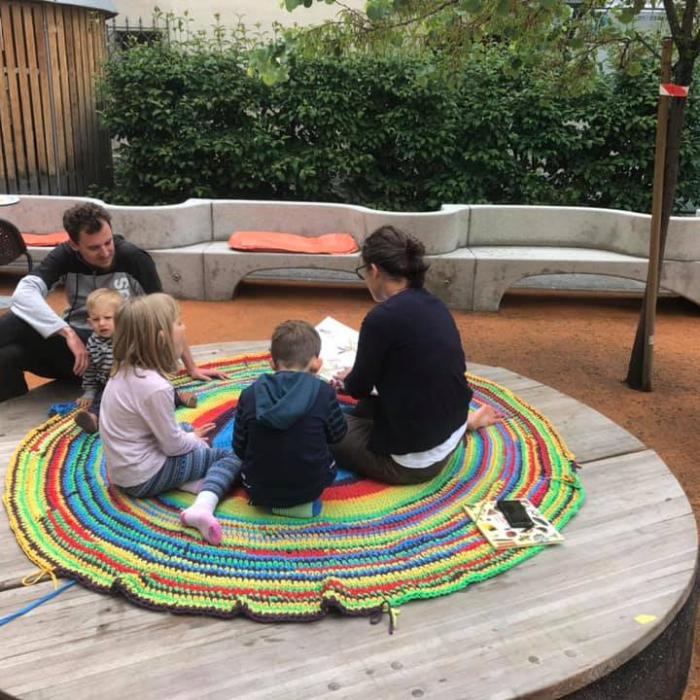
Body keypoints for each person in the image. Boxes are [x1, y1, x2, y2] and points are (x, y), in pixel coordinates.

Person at [0, 202, 221, 403]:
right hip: (77, 355)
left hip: (117, 355)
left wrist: (191, 367)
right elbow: (24, 294)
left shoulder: (134, 258)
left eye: (108, 242)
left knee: (14, 331)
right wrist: (67, 333)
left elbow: (165, 316)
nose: (105, 252)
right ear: (74, 245)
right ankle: (10, 412)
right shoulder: (65, 256)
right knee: (9, 349)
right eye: (94, 248)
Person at [330, 225, 498, 485]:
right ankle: (468, 423)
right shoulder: (435, 304)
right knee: (366, 408)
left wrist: (350, 377)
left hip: (412, 463)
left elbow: (357, 388)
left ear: (374, 270)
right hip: (448, 433)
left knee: (312, 423)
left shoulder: (381, 320)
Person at [100, 293, 241, 545]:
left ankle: (187, 481)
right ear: (163, 338)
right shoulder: (155, 387)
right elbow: (172, 446)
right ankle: (203, 506)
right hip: (143, 477)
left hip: (122, 471)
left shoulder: (123, 371)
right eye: (178, 322)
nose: (184, 327)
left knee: (186, 428)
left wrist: (187, 433)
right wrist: (195, 441)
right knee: (231, 456)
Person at [233, 320, 347, 518]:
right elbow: (338, 435)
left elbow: (239, 447)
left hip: (259, 487)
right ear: (316, 364)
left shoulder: (249, 394)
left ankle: (272, 505)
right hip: (311, 488)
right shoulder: (324, 392)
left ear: (272, 362)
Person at [74, 288, 197, 434]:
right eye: (96, 319)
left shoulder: (129, 339)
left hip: (136, 381)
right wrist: (89, 391)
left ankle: (180, 398)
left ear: (121, 319)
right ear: (89, 322)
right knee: (102, 400)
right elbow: (91, 369)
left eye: (108, 318)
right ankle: (93, 418)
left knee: (159, 392)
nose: (101, 323)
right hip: (110, 384)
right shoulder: (93, 342)